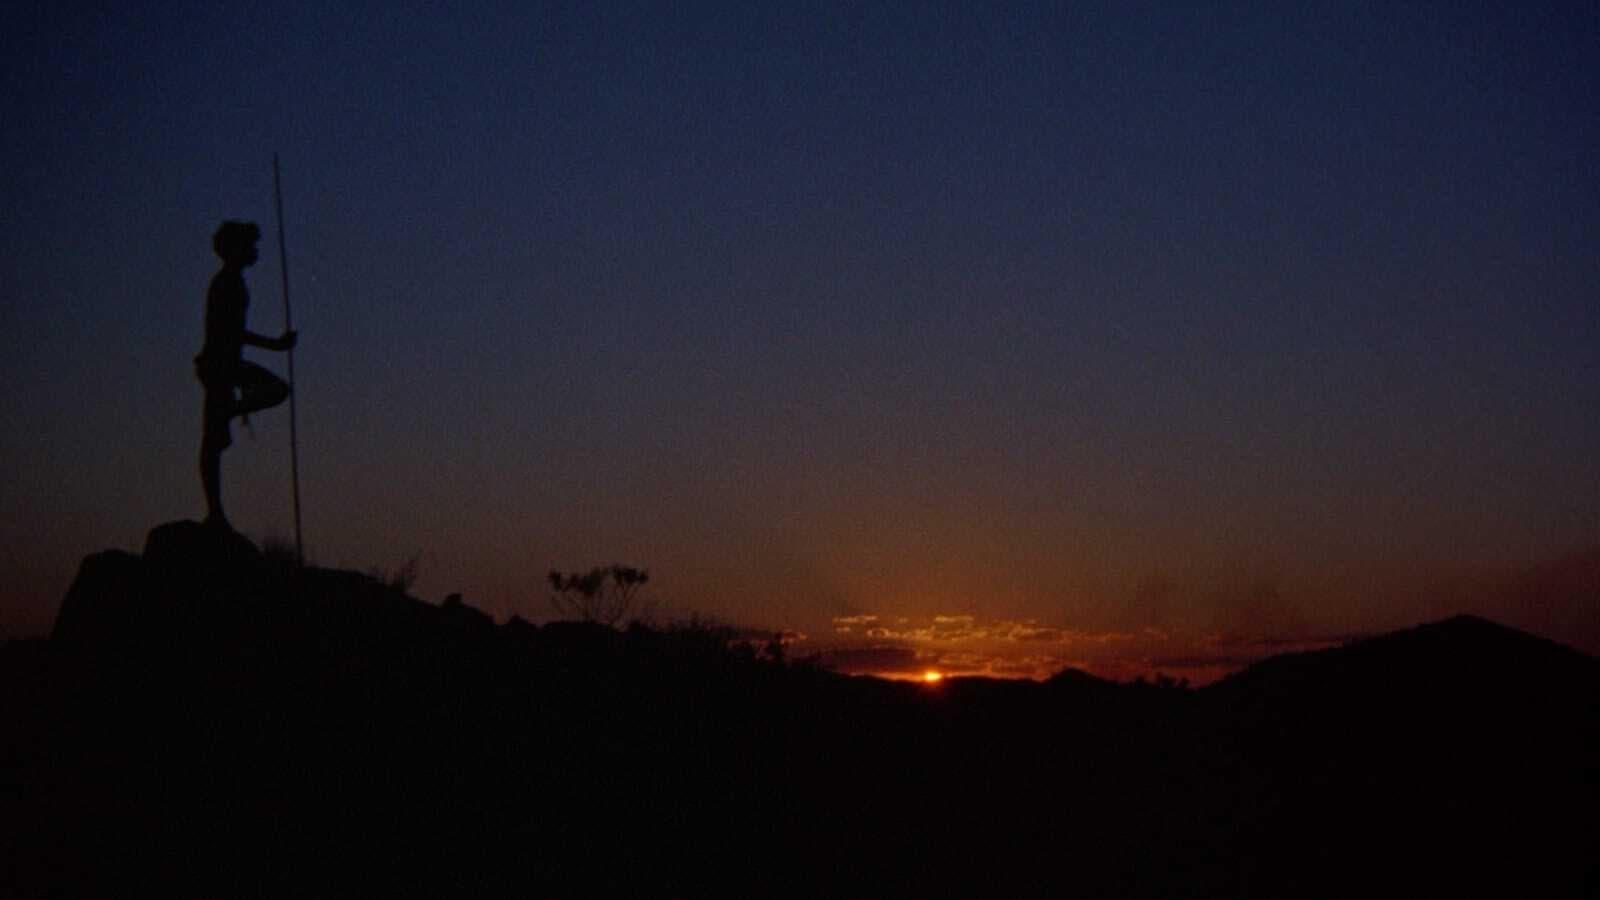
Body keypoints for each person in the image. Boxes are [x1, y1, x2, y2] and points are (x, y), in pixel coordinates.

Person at [196, 220, 297, 529]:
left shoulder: (234, 283)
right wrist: (274, 344)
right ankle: (215, 511)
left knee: (217, 438)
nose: (254, 252)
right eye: (249, 246)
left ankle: (215, 511)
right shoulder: (226, 283)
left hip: (226, 366)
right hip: (219, 366)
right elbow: (230, 331)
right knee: (213, 442)